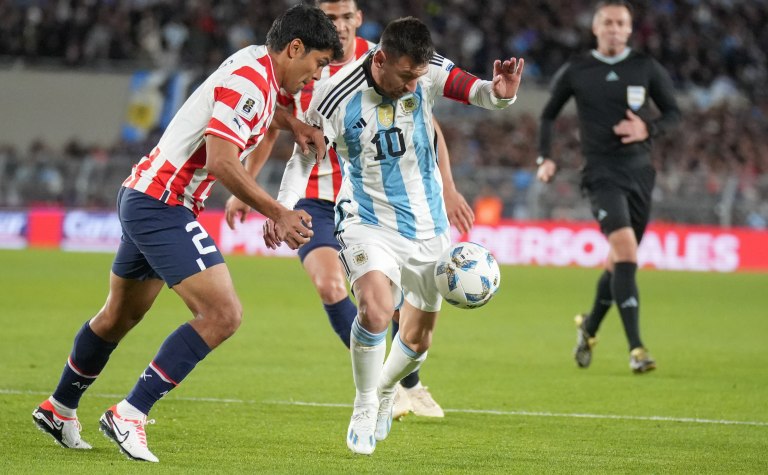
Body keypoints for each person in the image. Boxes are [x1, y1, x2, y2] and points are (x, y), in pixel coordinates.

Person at [31, 5, 342, 463]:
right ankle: (131, 412)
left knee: (118, 316)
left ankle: (59, 407)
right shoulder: (251, 83)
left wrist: (292, 123)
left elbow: (255, 111)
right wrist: (277, 211)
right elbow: (221, 161)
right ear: (294, 48)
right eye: (316, 63)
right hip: (164, 204)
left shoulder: (256, 64)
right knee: (223, 314)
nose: (314, 76)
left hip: (145, 195)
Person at [267, 16, 523, 455]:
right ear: (380, 59)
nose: (412, 86)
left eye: (418, 77)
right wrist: (284, 205)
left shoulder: (427, 70)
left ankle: (387, 389)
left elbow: (478, 90)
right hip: (367, 221)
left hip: (428, 230)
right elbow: (304, 157)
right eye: (404, 76)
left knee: (419, 338)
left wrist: (502, 95)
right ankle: (366, 403)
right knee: (376, 310)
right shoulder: (334, 95)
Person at [224, 0, 474, 420]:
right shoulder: (301, 63)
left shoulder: (388, 59)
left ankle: (405, 385)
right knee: (332, 287)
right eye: (330, 17)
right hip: (317, 200)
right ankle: (382, 392)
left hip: (376, 202)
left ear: (358, 18)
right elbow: (272, 125)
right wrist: (245, 189)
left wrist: (447, 187)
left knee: (391, 302)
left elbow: (427, 127)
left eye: (345, 17)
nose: (337, 26)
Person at [535, 0, 680, 374]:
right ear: (595, 28)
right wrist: (544, 158)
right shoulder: (578, 70)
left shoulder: (645, 67)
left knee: (619, 264)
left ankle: (589, 327)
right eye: (608, 22)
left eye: (621, 23)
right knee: (626, 251)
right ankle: (637, 349)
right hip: (601, 175)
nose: (615, 28)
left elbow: (675, 114)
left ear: (630, 29)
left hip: (640, 174)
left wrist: (648, 128)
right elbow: (548, 114)